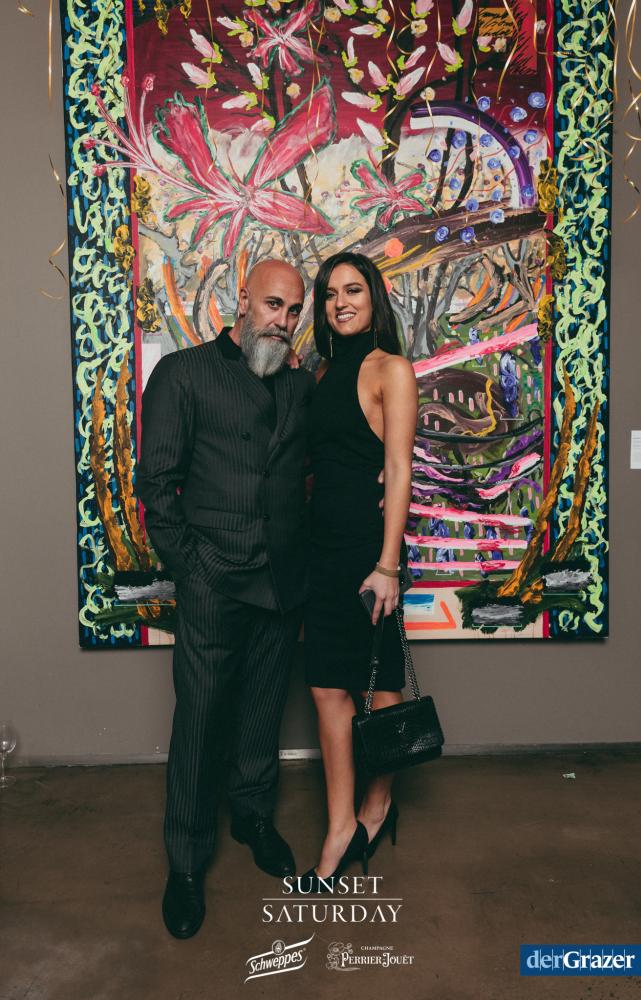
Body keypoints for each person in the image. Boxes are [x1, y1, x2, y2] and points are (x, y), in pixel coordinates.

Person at [136, 259, 313, 939]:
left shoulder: (298, 384)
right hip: (214, 580)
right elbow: (157, 486)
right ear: (243, 300)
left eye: (293, 310)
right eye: (272, 305)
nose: (282, 320)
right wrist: (194, 570)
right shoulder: (184, 374)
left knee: (263, 712)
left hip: (281, 580)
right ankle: (185, 863)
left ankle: (254, 817)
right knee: (201, 720)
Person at [302, 251, 418, 887]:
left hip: (367, 553)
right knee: (327, 685)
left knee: (379, 681)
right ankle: (342, 822)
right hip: (322, 548)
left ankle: (376, 807)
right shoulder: (320, 372)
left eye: (352, 290)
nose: (339, 302)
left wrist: (387, 565)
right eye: (329, 293)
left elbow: (397, 467)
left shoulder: (390, 368)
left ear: (374, 298)